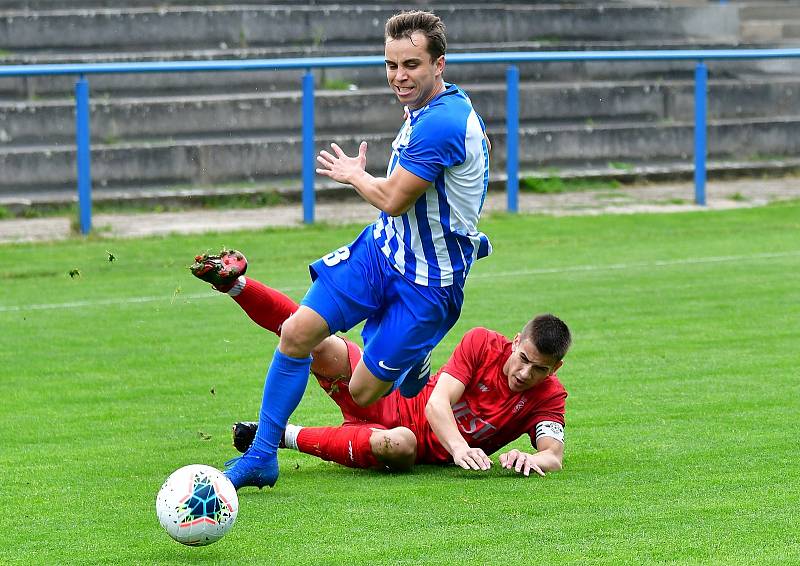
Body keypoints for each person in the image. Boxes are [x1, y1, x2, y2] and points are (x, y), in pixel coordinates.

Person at [192, 10, 492, 490]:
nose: (399, 76)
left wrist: (355, 175)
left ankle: (415, 362)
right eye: (392, 65)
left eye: (411, 65)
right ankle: (263, 455)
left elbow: (394, 199)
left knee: (362, 389)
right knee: (297, 333)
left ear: (440, 64)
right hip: (380, 253)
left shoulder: (444, 122)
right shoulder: (430, 106)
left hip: (428, 285)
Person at [191, 259, 570, 478]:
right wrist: (460, 449)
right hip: (387, 387)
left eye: (540, 370)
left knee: (400, 442)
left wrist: (530, 458)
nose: (525, 374)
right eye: (523, 359)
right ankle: (234, 284)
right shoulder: (484, 343)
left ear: (555, 369)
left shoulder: (549, 396)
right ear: (516, 340)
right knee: (312, 338)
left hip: (409, 442)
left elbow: (553, 455)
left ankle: (280, 437)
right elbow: (437, 404)